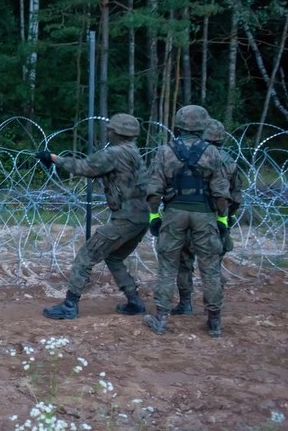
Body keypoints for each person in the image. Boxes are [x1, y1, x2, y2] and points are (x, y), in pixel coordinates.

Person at [38, 113, 150, 320]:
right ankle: (134, 301)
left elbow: (84, 167)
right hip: (141, 217)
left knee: (86, 256)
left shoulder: (114, 153)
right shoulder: (134, 152)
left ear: (116, 133)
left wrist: (53, 158)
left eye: (110, 129)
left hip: (125, 219)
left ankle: (70, 304)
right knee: (114, 257)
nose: (107, 132)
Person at [142, 105, 231, 338]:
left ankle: (161, 319)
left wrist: (154, 217)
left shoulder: (165, 151)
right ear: (202, 126)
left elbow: (153, 190)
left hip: (174, 212)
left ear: (178, 125)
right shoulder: (213, 153)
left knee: (167, 266)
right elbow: (221, 193)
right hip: (204, 214)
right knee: (210, 268)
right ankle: (214, 323)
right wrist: (222, 219)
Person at [169, 118, 243, 315]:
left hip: (187, 216)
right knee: (212, 268)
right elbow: (235, 198)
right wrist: (225, 218)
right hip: (214, 219)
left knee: (184, 263)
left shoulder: (185, 155)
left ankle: (185, 304)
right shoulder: (229, 162)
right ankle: (213, 314)